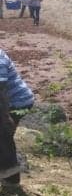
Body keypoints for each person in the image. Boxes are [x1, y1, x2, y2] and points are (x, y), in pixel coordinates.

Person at [0, 49, 35, 185]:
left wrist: (5, 117)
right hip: (5, 102)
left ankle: (11, 183)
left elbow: (1, 91)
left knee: (3, 137)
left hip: (16, 103)